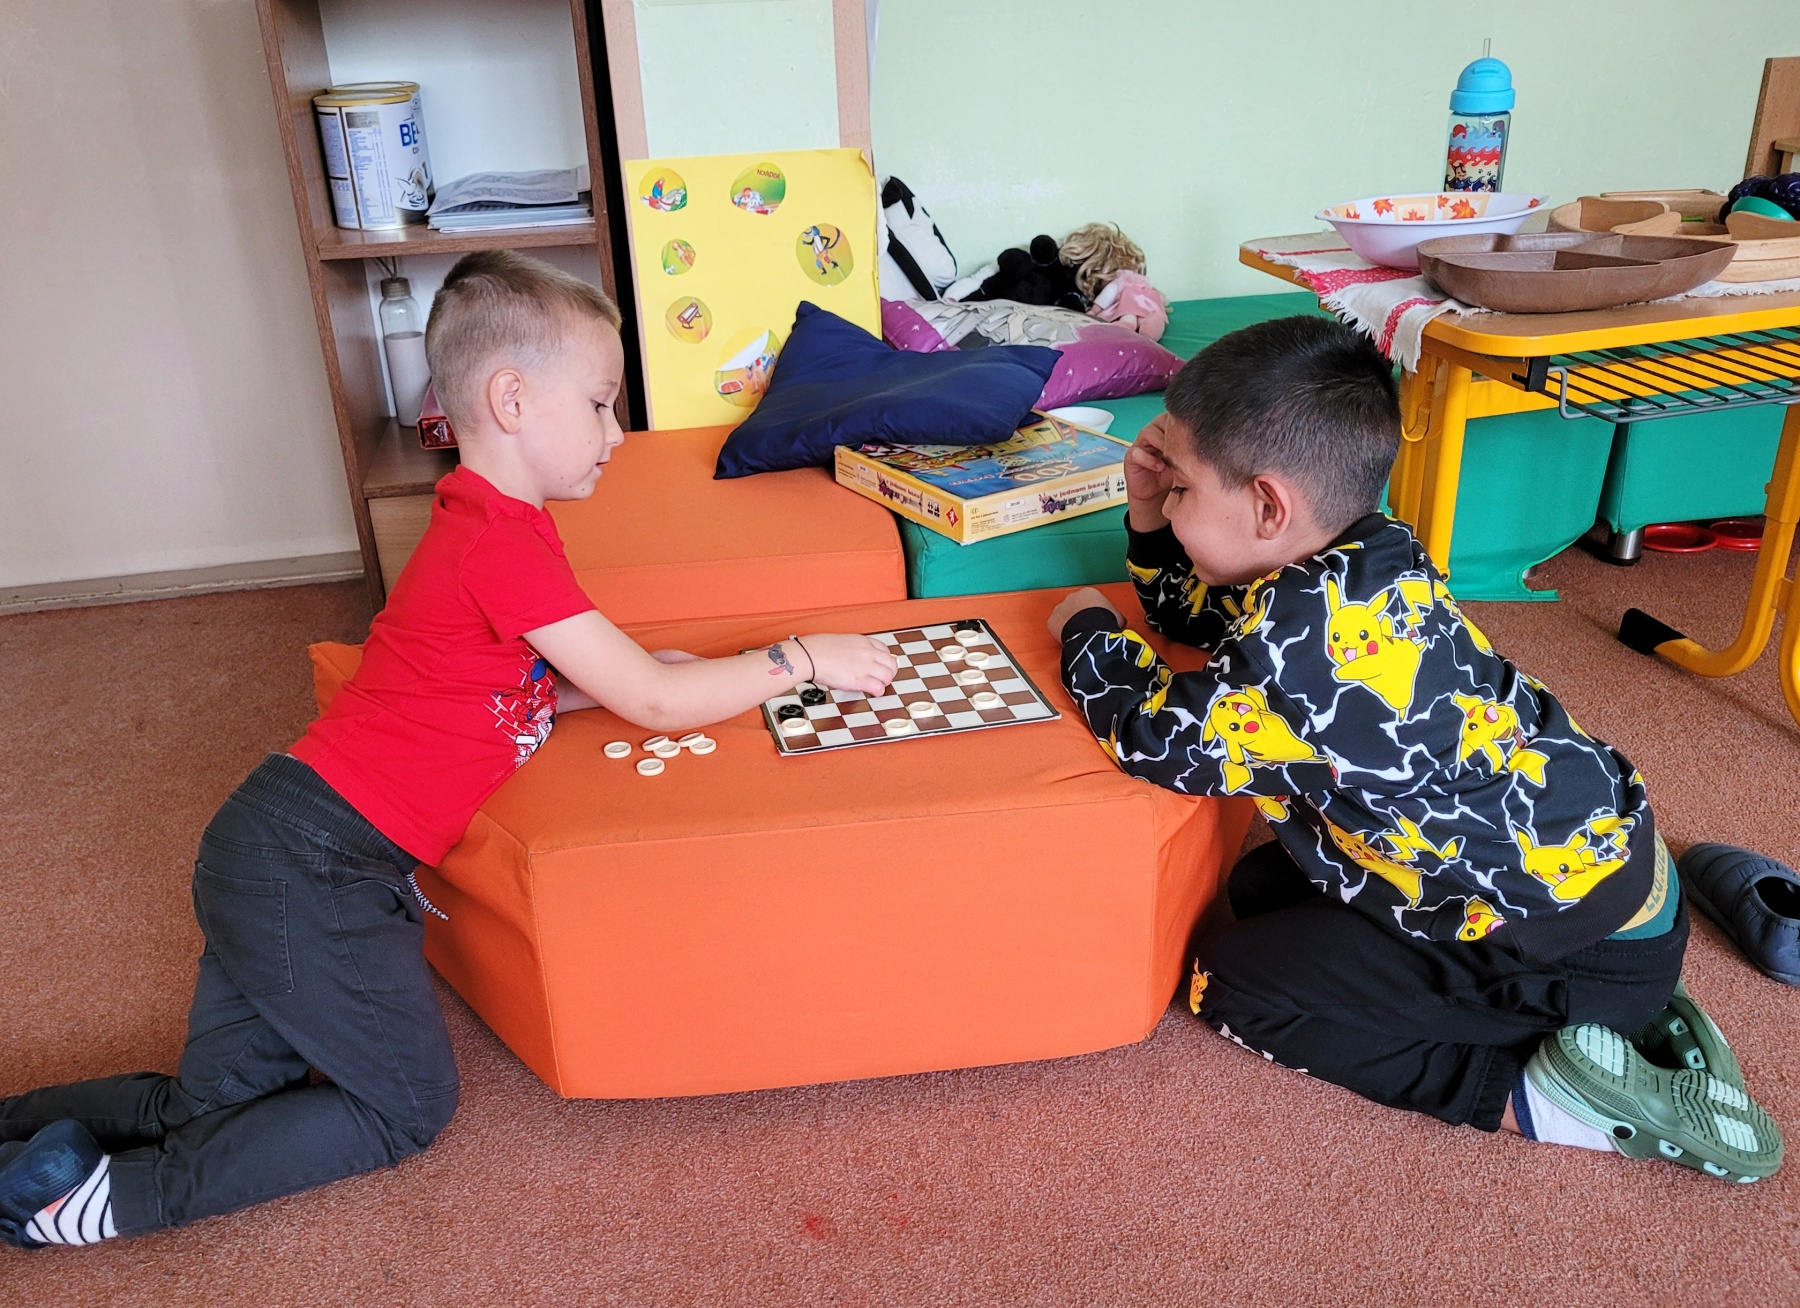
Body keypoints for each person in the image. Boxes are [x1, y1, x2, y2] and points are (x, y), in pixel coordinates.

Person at [0, 251, 897, 1247]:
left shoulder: (487, 525)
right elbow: (651, 701)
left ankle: (18, 1136)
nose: (617, 432)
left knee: (209, 1103)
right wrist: (799, 658)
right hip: (319, 865)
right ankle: (109, 1204)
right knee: (403, 1108)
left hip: (266, 846)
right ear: (510, 399)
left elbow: (516, 686)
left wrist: (655, 673)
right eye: (600, 404)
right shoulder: (501, 543)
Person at [1047, 316, 1783, 1182]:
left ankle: (1538, 1095)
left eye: (1180, 490)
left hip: (1568, 949)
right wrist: (1148, 510)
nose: (1169, 504)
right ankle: (1620, 1009)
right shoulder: (1374, 552)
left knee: (1230, 981)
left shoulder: (1289, 663)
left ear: (1269, 506)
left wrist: (1086, 628)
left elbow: (1149, 735)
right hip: (1613, 878)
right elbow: (1199, 613)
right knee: (1258, 887)